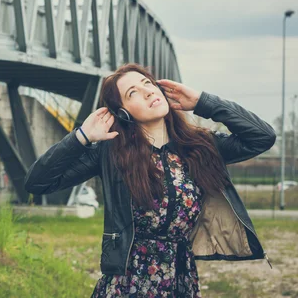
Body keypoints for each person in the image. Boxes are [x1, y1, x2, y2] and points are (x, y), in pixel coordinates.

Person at [24, 63, 276, 297]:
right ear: (122, 112)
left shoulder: (200, 146)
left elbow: (262, 137)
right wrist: (81, 137)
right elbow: (37, 182)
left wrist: (203, 102)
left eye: (148, 83)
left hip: (181, 279)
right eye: (132, 92)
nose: (147, 92)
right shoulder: (111, 153)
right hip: (128, 283)